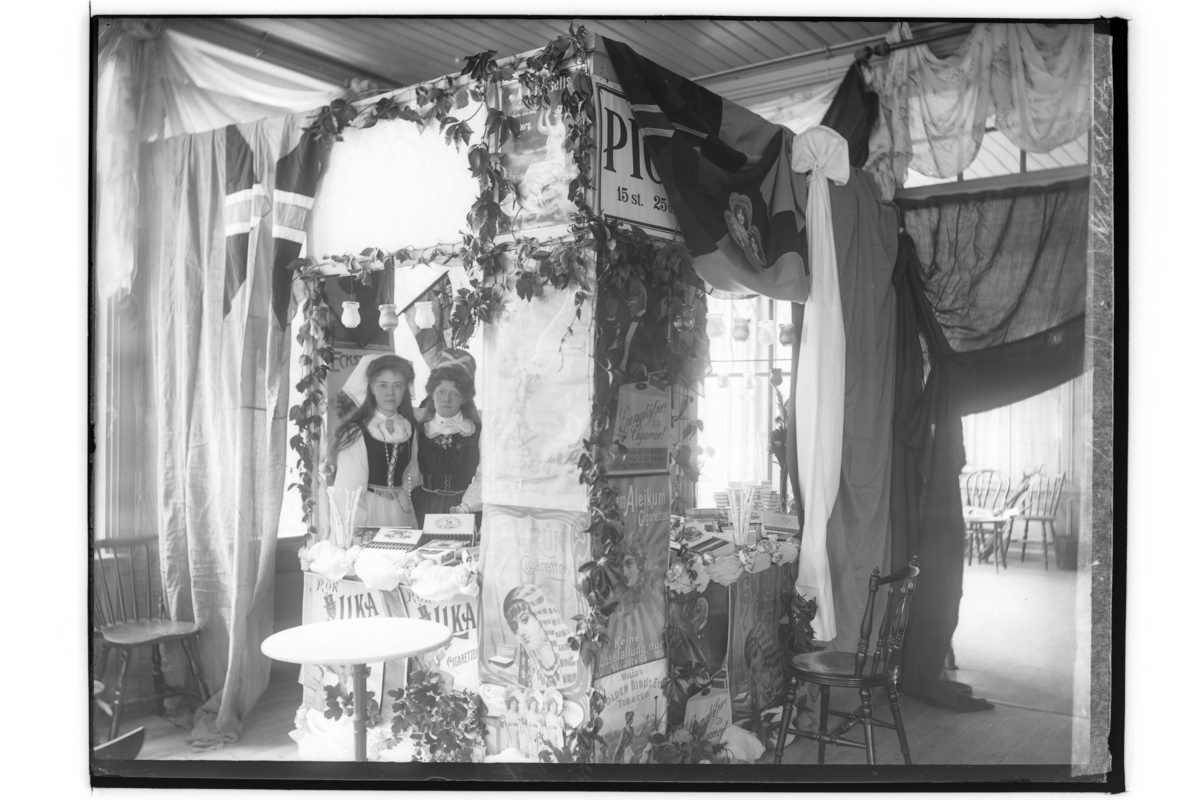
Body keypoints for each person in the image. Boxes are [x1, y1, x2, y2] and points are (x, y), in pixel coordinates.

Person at [332, 354, 420, 528]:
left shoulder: (409, 428)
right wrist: (355, 527)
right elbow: (349, 488)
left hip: (401, 510)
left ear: (405, 389)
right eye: (383, 385)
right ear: (371, 387)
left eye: (397, 385)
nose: (390, 393)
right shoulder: (357, 431)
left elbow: (412, 475)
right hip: (370, 511)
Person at [412, 351, 482, 525]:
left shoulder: (477, 430)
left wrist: (467, 506)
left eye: (455, 393)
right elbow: (412, 474)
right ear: (432, 393)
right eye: (441, 391)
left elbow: (484, 476)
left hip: (464, 507)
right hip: (425, 506)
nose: (447, 399)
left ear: (465, 397)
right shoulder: (419, 429)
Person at [503, 584, 579, 694]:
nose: (521, 632)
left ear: (542, 617)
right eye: (515, 627)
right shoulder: (533, 673)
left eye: (525, 620)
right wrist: (515, 674)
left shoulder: (572, 656)